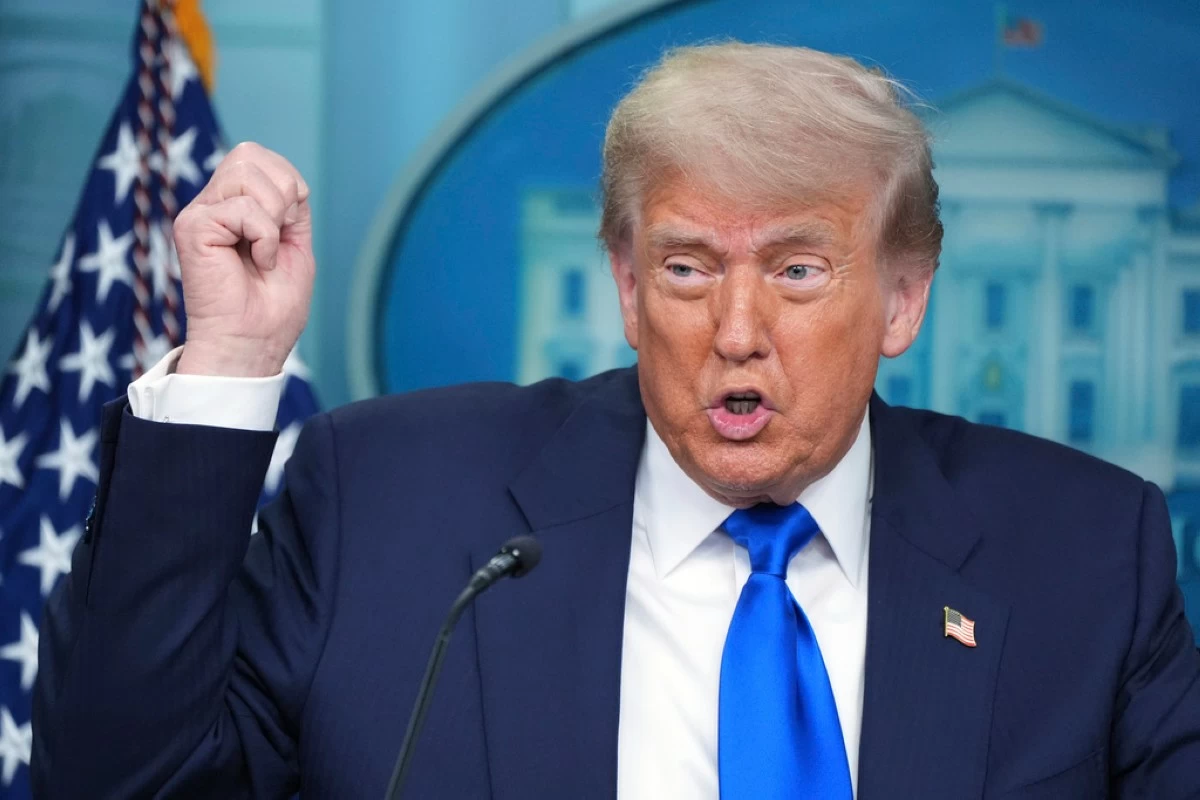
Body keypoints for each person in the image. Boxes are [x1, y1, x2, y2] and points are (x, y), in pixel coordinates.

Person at [32, 42, 1200, 799]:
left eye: (797, 271)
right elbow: (117, 784)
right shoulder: (392, 500)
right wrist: (231, 364)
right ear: (630, 290)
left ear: (902, 299)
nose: (736, 329)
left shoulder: (1088, 553)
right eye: (689, 269)